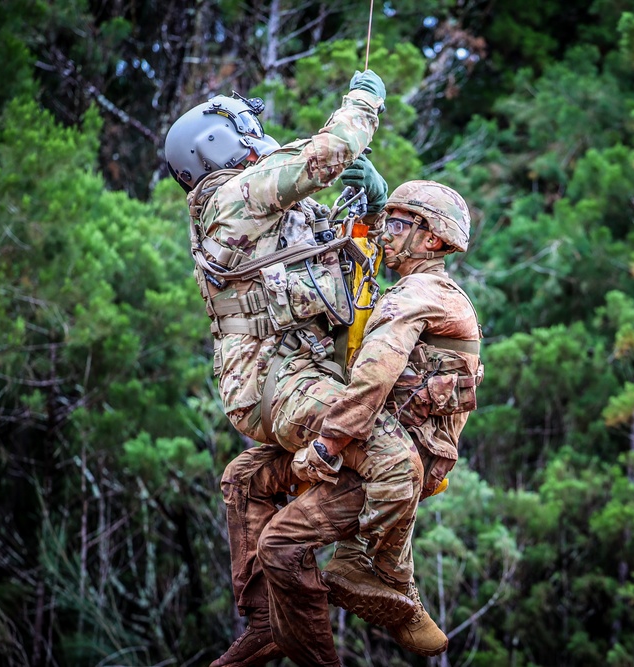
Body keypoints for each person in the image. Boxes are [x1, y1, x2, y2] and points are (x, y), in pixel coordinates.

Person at [164, 74, 442, 665]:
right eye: (247, 129)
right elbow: (327, 153)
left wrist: (368, 207)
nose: (258, 137)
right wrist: (364, 102)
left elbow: (342, 254)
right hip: (279, 384)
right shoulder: (236, 199)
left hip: (298, 377)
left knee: (245, 481)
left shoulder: (266, 211)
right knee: (393, 455)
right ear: (220, 143)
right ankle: (375, 576)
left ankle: (268, 621)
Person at [240, 179, 483, 666]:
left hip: (392, 461)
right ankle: (270, 619)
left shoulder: (418, 294)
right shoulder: (416, 292)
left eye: (397, 224)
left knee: (281, 543)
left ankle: (373, 587)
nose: (384, 232)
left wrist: (328, 443)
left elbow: (375, 375)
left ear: (431, 239)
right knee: (244, 478)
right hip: (380, 448)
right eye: (385, 221)